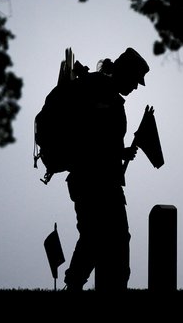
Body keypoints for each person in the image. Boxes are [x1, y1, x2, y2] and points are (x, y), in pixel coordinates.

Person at [63, 47, 150, 292]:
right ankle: (74, 286)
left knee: (115, 239)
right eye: (135, 81)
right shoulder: (98, 88)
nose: (135, 87)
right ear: (124, 72)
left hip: (105, 180)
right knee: (95, 237)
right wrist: (115, 152)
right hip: (92, 180)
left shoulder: (108, 94)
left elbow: (102, 139)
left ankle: (110, 289)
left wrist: (120, 152)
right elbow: (90, 134)